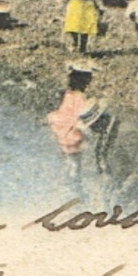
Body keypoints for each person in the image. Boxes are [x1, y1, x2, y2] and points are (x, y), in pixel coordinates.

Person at [82, 101, 138, 213]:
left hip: (136, 202)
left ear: (102, 119)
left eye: (93, 125)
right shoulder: (103, 137)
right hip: (115, 203)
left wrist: (123, 192)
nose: (91, 129)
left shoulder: (125, 132)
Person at [45, 65, 95, 194]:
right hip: (71, 135)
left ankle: (69, 190)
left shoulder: (66, 95)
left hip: (60, 132)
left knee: (68, 166)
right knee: (74, 168)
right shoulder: (80, 98)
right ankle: (75, 193)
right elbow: (80, 119)